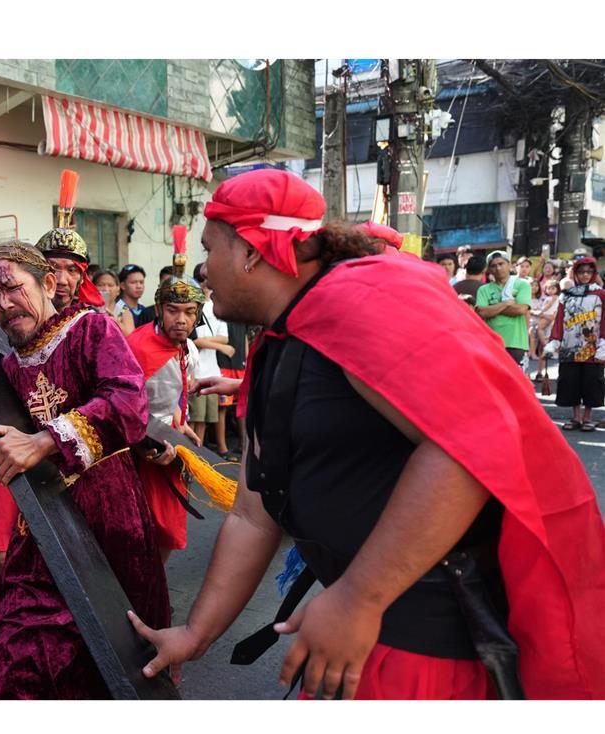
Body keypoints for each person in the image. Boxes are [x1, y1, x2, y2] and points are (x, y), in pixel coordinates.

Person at [128, 168, 605, 700]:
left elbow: (463, 449)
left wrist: (357, 598)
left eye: (210, 249)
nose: (204, 271)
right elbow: (252, 512)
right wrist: (195, 635)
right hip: (360, 639)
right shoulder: (284, 335)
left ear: (252, 252)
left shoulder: (354, 305)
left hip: (418, 656)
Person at [0, 242, 170, 699]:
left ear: (50, 284)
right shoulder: (5, 366)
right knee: (16, 670)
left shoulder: (90, 328)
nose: (3, 304)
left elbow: (127, 403)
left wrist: (43, 440)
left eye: (12, 289)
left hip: (109, 523)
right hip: (40, 529)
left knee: (117, 667)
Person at [126, 274, 203, 564]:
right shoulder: (138, 347)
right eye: (173, 310)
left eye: (189, 312)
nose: (181, 319)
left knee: (167, 531)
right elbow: (122, 407)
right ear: (159, 309)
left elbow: (174, 394)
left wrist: (180, 424)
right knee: (140, 532)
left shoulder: (187, 347)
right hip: (139, 451)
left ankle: (152, 594)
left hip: (170, 445)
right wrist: (145, 447)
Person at [546, 257, 604, 431]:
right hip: (569, 346)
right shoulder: (566, 295)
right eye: (581, 272)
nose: (585, 275)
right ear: (575, 274)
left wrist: (603, 343)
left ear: (594, 273)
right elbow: (559, 320)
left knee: (591, 382)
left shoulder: (600, 294)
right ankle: (576, 417)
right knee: (571, 382)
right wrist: (554, 340)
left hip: (592, 348)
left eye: (589, 272)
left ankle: (587, 418)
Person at [190, 264, 233, 454]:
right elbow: (196, 340)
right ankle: (190, 453)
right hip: (196, 371)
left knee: (206, 418)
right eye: (201, 279)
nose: (205, 283)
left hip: (212, 370)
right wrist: (221, 347)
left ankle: (198, 452)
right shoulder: (193, 306)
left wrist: (212, 342)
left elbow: (225, 336)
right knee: (194, 418)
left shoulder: (217, 306)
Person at [475, 250, 532, 366]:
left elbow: (520, 310)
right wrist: (505, 304)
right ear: (489, 269)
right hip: (492, 344)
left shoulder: (522, 284)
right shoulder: (483, 289)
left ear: (509, 265)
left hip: (516, 343)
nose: (498, 268)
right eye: (493, 266)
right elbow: (481, 313)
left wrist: (491, 308)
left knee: (517, 383)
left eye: (501, 264)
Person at [533, 279, 561, 382]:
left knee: (540, 329)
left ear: (557, 289)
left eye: (553, 288)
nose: (550, 290)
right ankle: (540, 372)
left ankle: (545, 343)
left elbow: (549, 308)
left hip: (549, 318)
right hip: (546, 317)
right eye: (548, 288)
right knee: (542, 352)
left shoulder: (554, 297)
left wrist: (541, 312)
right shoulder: (546, 298)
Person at [94, 268, 136, 335]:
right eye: (101, 285)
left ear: (118, 290)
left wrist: (116, 322)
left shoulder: (123, 310)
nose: (105, 289)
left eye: (110, 285)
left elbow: (131, 337)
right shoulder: (87, 309)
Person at [115, 264, 148, 328]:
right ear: (122, 286)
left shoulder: (142, 308)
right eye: (133, 282)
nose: (139, 286)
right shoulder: (118, 309)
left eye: (141, 282)